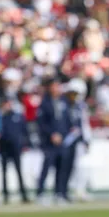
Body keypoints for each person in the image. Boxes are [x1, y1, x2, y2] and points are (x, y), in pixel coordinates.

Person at [55, 79, 91, 202]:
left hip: (74, 141)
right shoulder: (63, 105)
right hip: (65, 141)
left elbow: (79, 124)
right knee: (63, 167)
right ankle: (60, 192)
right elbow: (61, 123)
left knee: (70, 167)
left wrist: (83, 139)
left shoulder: (77, 106)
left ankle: (65, 193)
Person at [36, 77, 65, 205]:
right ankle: (40, 193)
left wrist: (63, 134)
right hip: (49, 141)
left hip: (62, 140)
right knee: (47, 166)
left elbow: (65, 121)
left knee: (61, 167)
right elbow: (42, 123)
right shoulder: (45, 103)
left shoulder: (62, 101)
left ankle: (59, 193)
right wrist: (52, 134)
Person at [0, 96, 30, 204]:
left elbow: (24, 130)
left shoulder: (17, 116)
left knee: (19, 171)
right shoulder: (0, 117)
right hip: (4, 147)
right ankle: (5, 195)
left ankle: (24, 195)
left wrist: (25, 143)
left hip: (16, 147)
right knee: (4, 172)